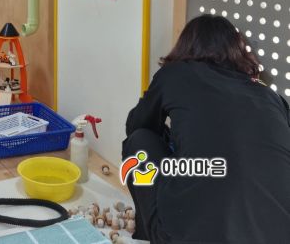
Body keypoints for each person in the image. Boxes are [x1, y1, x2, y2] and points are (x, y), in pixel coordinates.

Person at [122, 14, 290, 243]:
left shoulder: (175, 73)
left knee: (139, 141)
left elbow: (136, 125)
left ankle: (149, 233)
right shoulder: (271, 97)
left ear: (185, 46)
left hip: (191, 235)